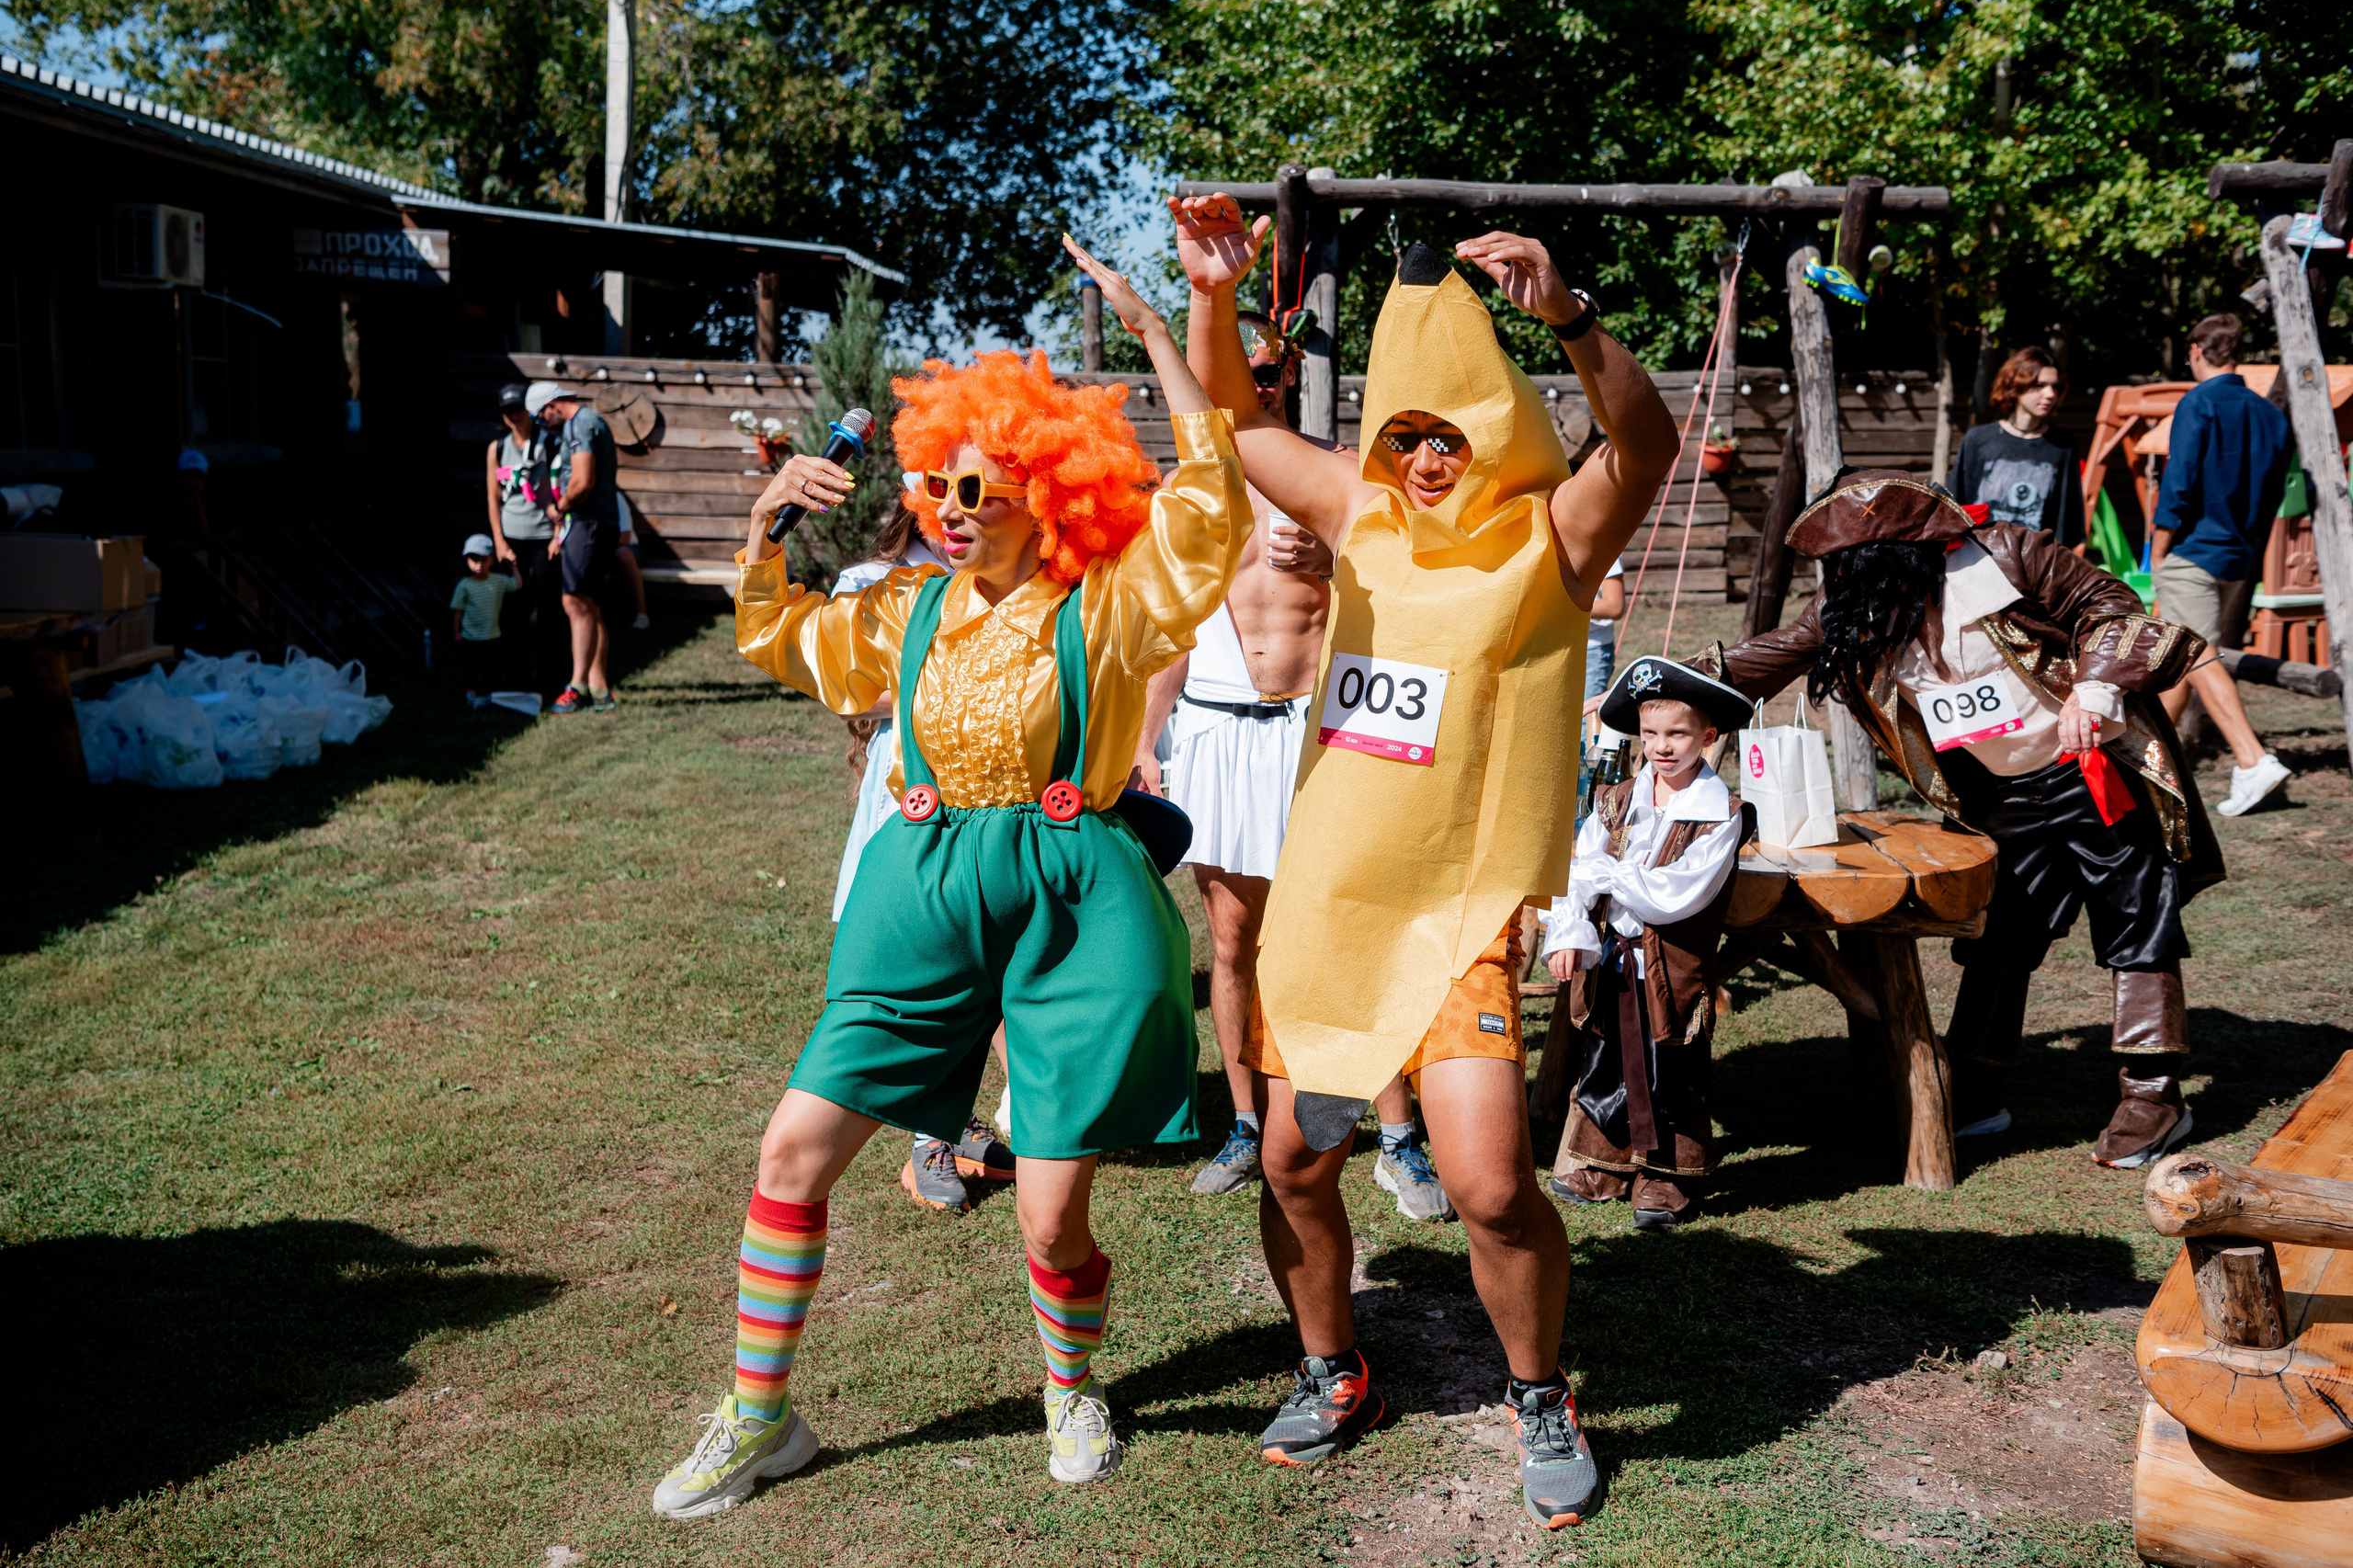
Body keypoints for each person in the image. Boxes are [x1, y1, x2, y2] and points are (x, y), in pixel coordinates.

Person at [649, 236, 1249, 1518]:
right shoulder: (906, 611)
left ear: (1045, 488)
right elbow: (782, 634)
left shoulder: (1111, 608)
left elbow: (1214, 508)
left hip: (1074, 900)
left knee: (1046, 1219)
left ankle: (1069, 1383)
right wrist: (763, 531)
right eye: (937, 489)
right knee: (796, 1146)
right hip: (919, 886)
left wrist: (1161, 336)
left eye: (977, 483)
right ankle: (761, 1413)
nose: (953, 505)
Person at [1174, 196, 1679, 1529]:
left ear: (1495, 431)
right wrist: (1213, 297)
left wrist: (1566, 317)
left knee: (1492, 1184)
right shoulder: (1361, 516)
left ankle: (1539, 1390)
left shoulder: (1554, 540)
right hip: (1335, 907)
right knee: (1291, 1164)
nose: (1425, 457)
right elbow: (1242, 424)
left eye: (1449, 434)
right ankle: (1335, 1370)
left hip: (1461, 922)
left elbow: (1647, 439)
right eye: (1403, 435)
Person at [1702, 468, 2222, 1169]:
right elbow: (1773, 655)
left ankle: (2153, 1097)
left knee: (2138, 922)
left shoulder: (2007, 554)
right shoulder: (1858, 600)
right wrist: (1660, 690)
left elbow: (2111, 603)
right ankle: (1977, 1084)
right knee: (2001, 932)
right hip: (2002, 793)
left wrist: (2096, 688)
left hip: (2091, 772)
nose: (1843, 581)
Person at [1141, 309, 1451, 1222]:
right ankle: (1245, 1120)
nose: (1257, 384)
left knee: (1360, 930)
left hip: (1323, 729)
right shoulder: (1187, 491)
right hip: (1218, 729)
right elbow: (1168, 628)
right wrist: (1141, 738)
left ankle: (1396, 1135)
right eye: (1240, 370)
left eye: (1268, 371)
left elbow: (1418, 593)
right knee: (1234, 941)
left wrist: (1334, 558)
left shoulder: (1344, 470)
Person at [821, 498, 1012, 1213]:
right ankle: (930, 1135)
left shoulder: (1018, 573)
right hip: (916, 787)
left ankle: (956, 1122)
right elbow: (853, 688)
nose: (958, 505)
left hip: (993, 791)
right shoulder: (876, 580)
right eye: (941, 486)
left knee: (987, 956)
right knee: (926, 960)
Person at [1540, 657, 1754, 1229]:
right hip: (1613, 958)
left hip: (1671, 965)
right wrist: (1573, 931)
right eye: (1651, 733)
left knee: (1668, 1067)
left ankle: (1665, 1175)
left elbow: (1673, 894)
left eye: (1679, 734)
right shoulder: (1616, 801)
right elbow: (1573, 875)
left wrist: (1605, 876)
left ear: (1708, 738)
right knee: (1609, 1056)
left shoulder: (1720, 816)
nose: (1662, 747)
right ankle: (1608, 1161)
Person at [2149, 313, 2293, 817]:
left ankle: (2253, 761)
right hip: (2239, 554)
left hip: (2193, 551)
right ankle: (2155, 763)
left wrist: (2159, 547)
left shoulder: (2198, 403)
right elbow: (2275, 489)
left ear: (2194, 350)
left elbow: (2180, 480)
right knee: (2182, 658)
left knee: (2193, 653)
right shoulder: (2270, 414)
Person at [524, 381, 620, 714]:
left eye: (539, 417)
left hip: (587, 522)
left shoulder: (581, 423)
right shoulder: (584, 422)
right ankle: (600, 690)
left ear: (551, 405)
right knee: (589, 607)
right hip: (593, 523)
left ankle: (576, 686)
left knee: (574, 601)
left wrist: (559, 507)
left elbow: (582, 481)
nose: (542, 424)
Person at [1946, 347, 2086, 551]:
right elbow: (1955, 505)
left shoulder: (2062, 445)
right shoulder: (1979, 439)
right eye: (2040, 385)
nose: (2050, 394)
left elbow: (2069, 515)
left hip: (2036, 565)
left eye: (2054, 387)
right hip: (1979, 559)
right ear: (2016, 385)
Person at [485, 383, 564, 696]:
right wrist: (499, 541)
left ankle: (552, 684)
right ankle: (516, 683)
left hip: (545, 537)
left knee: (549, 612)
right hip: (511, 540)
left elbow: (563, 489)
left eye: (518, 409)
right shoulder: (497, 448)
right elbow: (493, 499)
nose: (514, 416)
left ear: (529, 411)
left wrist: (558, 534)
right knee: (514, 612)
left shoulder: (550, 442)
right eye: (508, 412)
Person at [450, 533, 517, 710]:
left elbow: (517, 584)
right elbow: (458, 610)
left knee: (491, 667)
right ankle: (470, 695)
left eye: (483, 559)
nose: (479, 564)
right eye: (474, 559)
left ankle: (489, 696)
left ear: (491, 560)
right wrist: (457, 631)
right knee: (470, 667)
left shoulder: (499, 581)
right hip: (470, 637)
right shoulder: (464, 585)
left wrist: (513, 566)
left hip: (492, 635)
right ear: (467, 561)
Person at [1585, 557, 1627, 701]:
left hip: (1590, 649)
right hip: (1550, 648)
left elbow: (1614, 606)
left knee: (1584, 720)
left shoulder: (1604, 541)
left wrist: (1558, 609)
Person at [617, 493, 654, 631]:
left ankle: (642, 613)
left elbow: (625, 537)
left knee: (622, 553)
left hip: (627, 547)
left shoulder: (615, 498)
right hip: (600, 549)